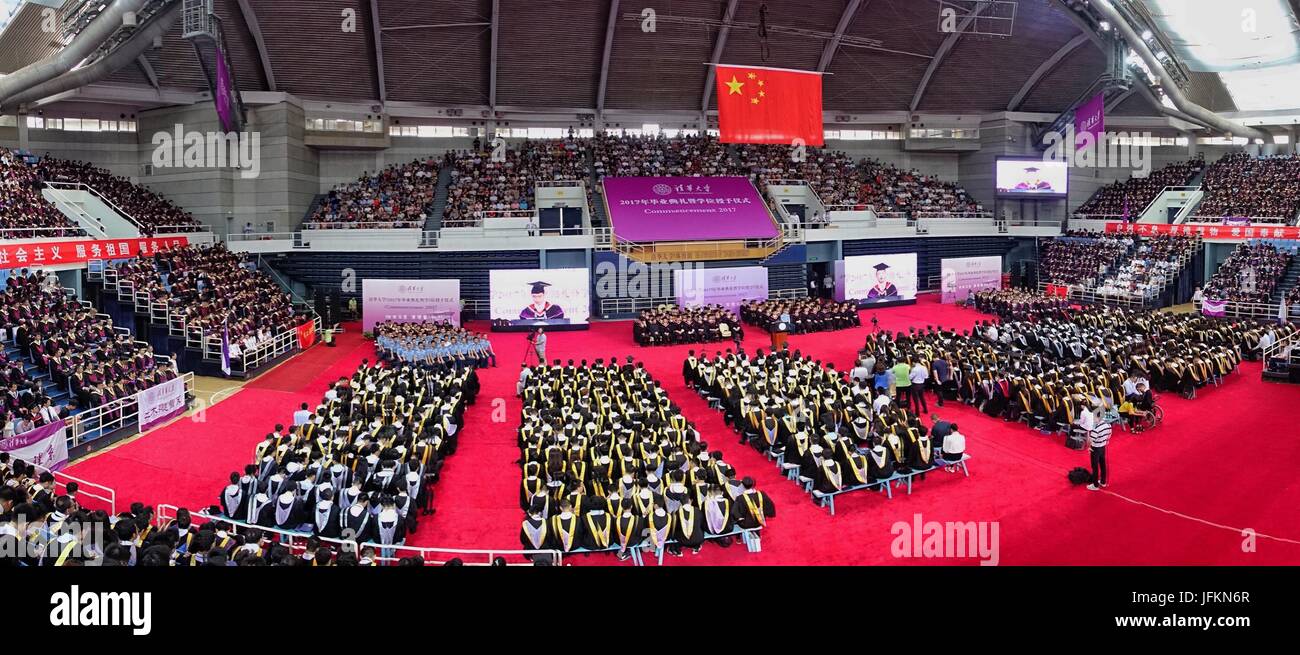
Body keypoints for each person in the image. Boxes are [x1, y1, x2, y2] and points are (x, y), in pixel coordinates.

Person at [1087, 406, 1111, 490]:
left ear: (1098, 417)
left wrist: (1089, 447)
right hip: (1103, 447)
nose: (1093, 419)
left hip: (1095, 448)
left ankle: (1095, 485)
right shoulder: (1108, 425)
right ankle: (1103, 482)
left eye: (1094, 417)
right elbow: (1109, 435)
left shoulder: (1096, 429)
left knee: (1095, 466)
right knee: (1103, 464)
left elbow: (1091, 440)